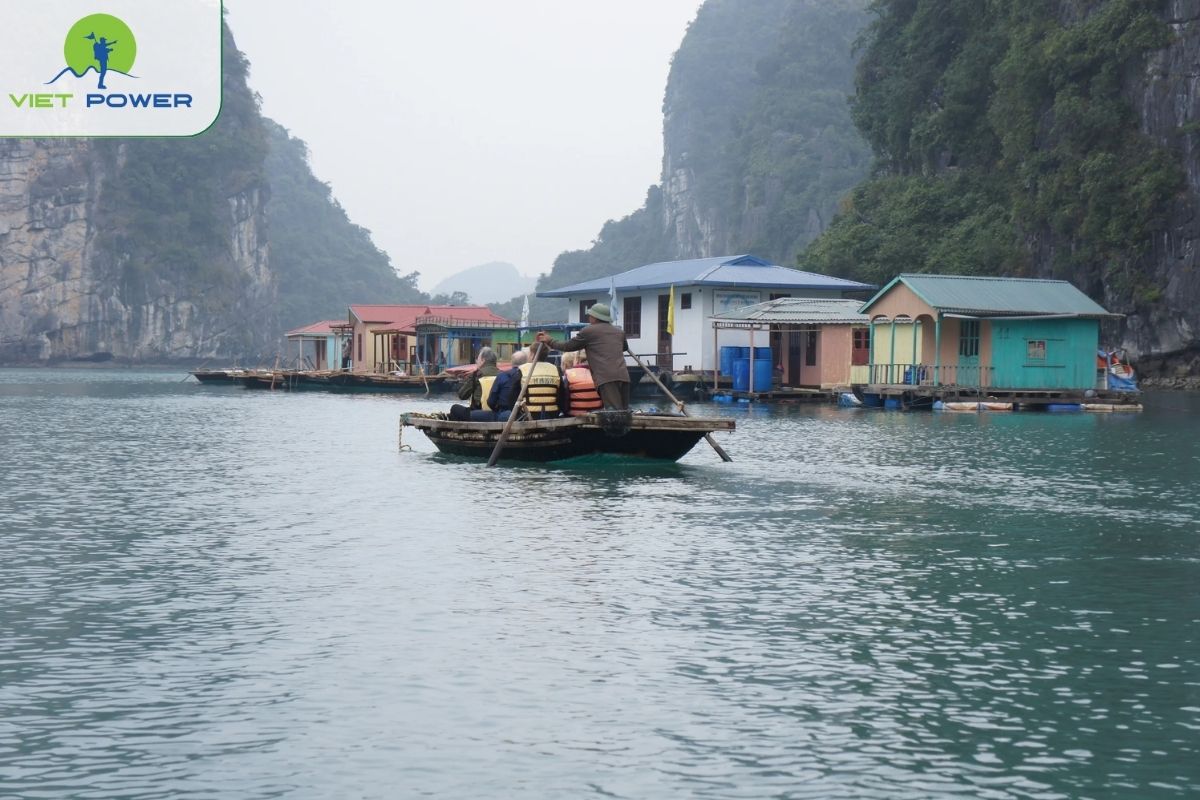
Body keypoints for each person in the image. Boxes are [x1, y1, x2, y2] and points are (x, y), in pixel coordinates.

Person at [536, 303, 630, 409]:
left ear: (595, 317)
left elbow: (568, 346)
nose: (589, 318)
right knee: (624, 410)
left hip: (606, 378)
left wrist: (549, 340)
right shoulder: (619, 332)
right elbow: (624, 347)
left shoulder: (589, 331)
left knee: (615, 412)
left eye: (590, 316)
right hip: (624, 376)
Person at [448, 347, 500, 421]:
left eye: (478, 359)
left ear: (483, 360)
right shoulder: (502, 375)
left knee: (455, 408)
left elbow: (462, 395)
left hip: (478, 414)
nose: (476, 361)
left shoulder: (476, 374)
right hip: (496, 414)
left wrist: (470, 380)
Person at [517, 343, 566, 420]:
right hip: (552, 414)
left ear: (532, 354)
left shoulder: (522, 370)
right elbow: (562, 395)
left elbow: (512, 395)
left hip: (528, 415)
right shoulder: (555, 369)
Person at [484, 349, 529, 421]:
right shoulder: (528, 377)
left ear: (511, 362)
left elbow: (491, 401)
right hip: (526, 414)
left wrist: (497, 410)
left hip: (505, 414)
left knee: (473, 415)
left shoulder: (502, 376)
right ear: (526, 362)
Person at [562, 348, 602, 416]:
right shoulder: (599, 373)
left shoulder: (569, 374)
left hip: (574, 415)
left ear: (577, 359)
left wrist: (565, 411)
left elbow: (565, 397)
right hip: (597, 414)